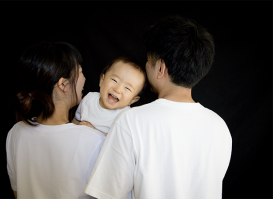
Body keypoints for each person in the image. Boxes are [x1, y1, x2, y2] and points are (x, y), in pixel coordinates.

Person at [84, 15, 232, 199]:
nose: (146, 66)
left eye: (148, 60)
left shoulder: (131, 121)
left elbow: (105, 194)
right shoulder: (220, 127)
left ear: (161, 68)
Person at [6, 41, 105, 199]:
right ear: (63, 84)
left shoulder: (16, 132)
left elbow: (18, 193)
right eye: (80, 72)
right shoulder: (93, 139)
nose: (84, 78)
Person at [73, 57, 146, 136]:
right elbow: (75, 122)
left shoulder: (126, 117)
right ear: (102, 80)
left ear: (132, 100)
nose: (118, 89)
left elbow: (116, 142)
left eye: (127, 88)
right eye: (115, 80)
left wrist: (92, 130)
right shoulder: (89, 99)